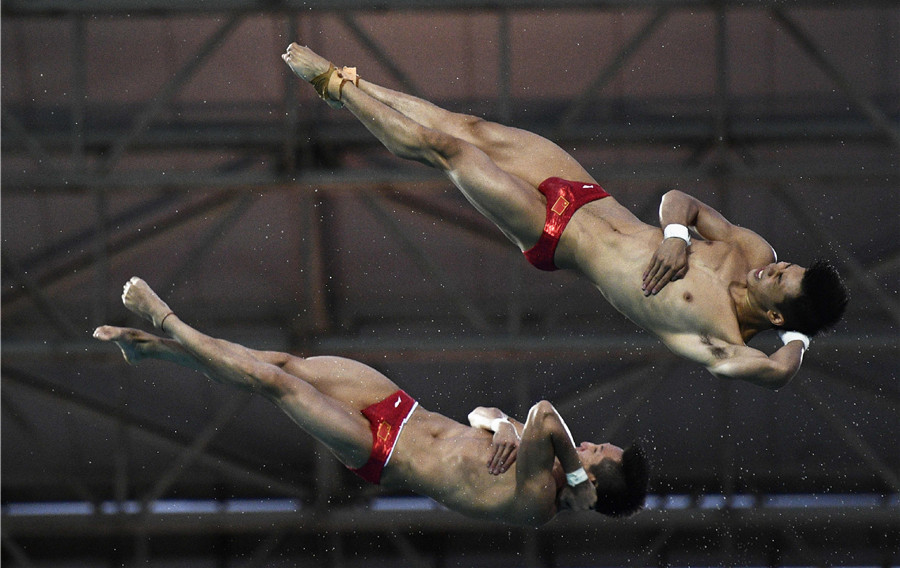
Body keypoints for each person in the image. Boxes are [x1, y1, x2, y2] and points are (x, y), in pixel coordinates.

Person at [281, 43, 849, 391]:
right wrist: (676, 234)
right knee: (466, 126)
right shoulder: (753, 251)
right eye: (786, 266)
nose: (774, 269)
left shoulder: (719, 337)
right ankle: (348, 82)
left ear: (777, 319)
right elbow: (683, 200)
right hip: (584, 191)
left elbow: (776, 376)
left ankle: (329, 83)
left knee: (449, 153)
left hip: (553, 234)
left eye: (781, 282)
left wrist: (800, 337)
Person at [94, 277, 649, 526]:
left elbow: (548, 414)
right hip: (401, 407)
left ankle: (162, 319)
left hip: (380, 452)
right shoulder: (543, 457)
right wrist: (501, 422)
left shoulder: (538, 500)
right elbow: (483, 416)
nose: (588, 443)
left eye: (597, 452)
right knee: (283, 362)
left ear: (592, 483)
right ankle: (157, 352)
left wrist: (570, 476)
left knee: (276, 384)